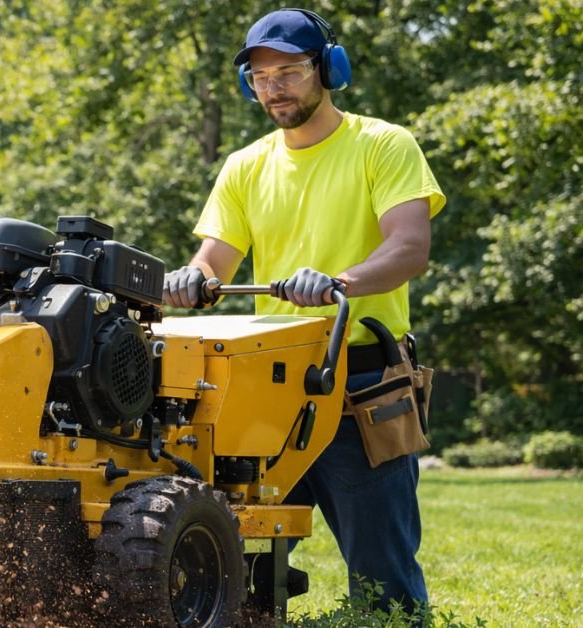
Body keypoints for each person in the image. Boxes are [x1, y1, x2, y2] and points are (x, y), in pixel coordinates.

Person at [162, 8, 445, 615]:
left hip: (360, 383)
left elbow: (409, 247)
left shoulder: (382, 145)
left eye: (288, 72)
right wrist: (193, 279)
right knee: (228, 566)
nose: (274, 89)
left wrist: (340, 282)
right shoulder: (245, 166)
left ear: (329, 69)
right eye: (260, 78)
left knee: (384, 581)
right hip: (266, 390)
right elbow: (214, 261)